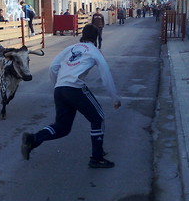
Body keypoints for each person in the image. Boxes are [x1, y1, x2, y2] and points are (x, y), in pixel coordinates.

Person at [21, 24, 122, 168]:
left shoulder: (70, 48)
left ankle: (34, 139)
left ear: (83, 35)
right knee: (98, 118)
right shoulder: (95, 51)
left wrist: (57, 85)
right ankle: (97, 158)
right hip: (75, 88)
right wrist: (115, 98)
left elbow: (53, 67)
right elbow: (106, 75)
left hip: (60, 89)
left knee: (62, 127)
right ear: (96, 37)